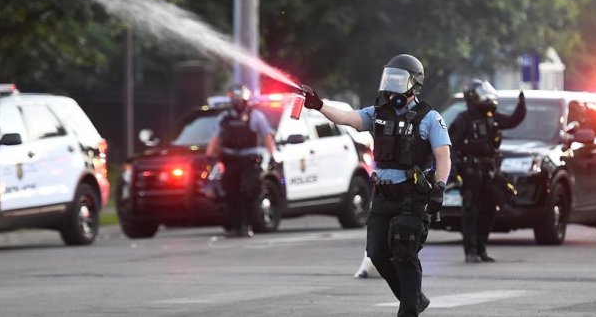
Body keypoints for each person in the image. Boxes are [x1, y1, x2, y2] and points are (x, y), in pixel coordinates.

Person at [301, 54, 451, 317]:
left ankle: (408, 310)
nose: (391, 85)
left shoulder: (430, 118)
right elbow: (348, 118)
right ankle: (415, 299)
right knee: (378, 254)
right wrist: (319, 105)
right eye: (389, 78)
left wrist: (439, 186)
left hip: (411, 197)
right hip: (382, 197)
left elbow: (443, 156)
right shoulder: (378, 113)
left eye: (398, 79)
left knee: (405, 253)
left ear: (413, 84)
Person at [448, 79, 526, 263]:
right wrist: (453, 173)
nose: (486, 95)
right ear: (473, 97)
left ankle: (482, 249)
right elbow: (451, 147)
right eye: (482, 92)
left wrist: (521, 104)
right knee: (470, 212)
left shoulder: (492, 117)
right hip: (470, 173)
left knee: (489, 209)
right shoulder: (463, 120)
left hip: (489, 172)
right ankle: (471, 252)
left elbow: (513, 120)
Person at [206, 84, 276, 238]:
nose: (238, 103)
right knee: (231, 194)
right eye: (235, 99)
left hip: (249, 160)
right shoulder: (224, 118)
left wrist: (272, 155)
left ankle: (246, 225)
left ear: (246, 100)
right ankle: (235, 226)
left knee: (248, 192)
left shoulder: (256, 116)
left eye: (240, 99)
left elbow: (266, 136)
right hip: (230, 159)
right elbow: (216, 137)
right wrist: (210, 154)